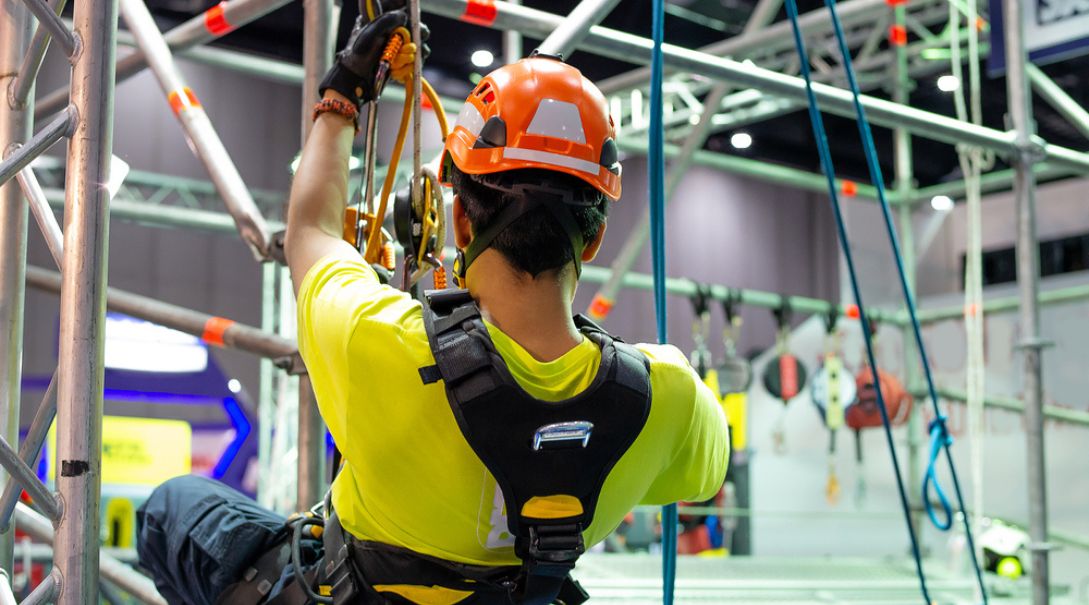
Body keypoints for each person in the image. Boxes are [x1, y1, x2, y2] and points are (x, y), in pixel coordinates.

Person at [137, 8, 729, 605]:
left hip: (356, 591)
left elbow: (311, 232)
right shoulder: (665, 399)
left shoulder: (378, 340)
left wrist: (342, 94)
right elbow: (707, 474)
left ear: (462, 223)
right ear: (594, 240)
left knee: (173, 509)